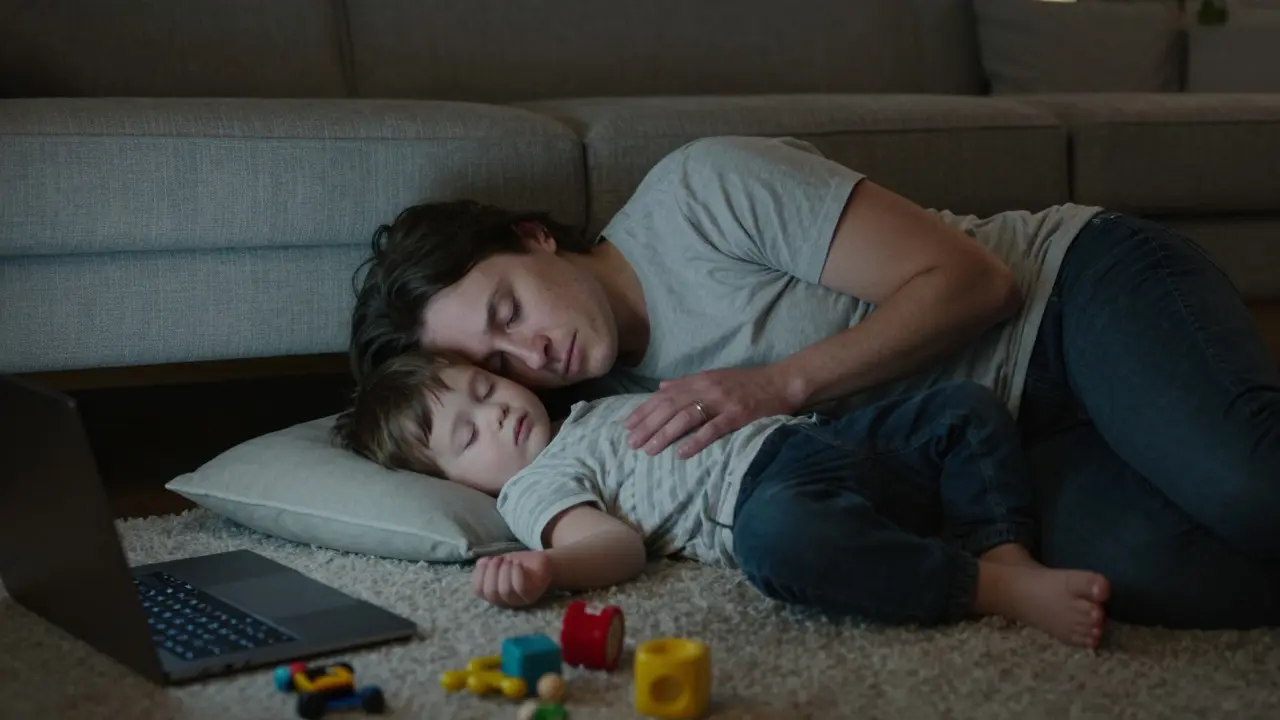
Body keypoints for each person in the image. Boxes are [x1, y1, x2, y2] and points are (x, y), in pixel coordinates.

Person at [347, 136, 1280, 629]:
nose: (531, 355)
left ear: (533, 237)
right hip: (996, 445)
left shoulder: (699, 194)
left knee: (1251, 491)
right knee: (1184, 576)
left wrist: (778, 385)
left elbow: (977, 283)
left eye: (508, 309)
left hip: (1072, 296)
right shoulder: (603, 418)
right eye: (496, 364)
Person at [332, 350, 1111, 647]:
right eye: (469, 435)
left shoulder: (585, 411)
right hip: (772, 495)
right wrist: (550, 569)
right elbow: (615, 547)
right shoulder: (532, 489)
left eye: (484, 389)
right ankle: (990, 587)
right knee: (779, 543)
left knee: (963, 407)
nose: (497, 413)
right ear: (459, 484)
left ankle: (1004, 546)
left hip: (826, 440)